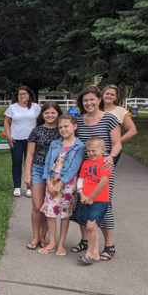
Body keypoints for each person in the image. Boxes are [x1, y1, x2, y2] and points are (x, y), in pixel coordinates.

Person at [71, 86, 121, 261]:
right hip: (83, 169)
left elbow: (117, 143)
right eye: (85, 100)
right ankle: (85, 241)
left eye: (92, 99)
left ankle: (109, 245)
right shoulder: (79, 120)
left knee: (103, 206)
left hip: (103, 169)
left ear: (99, 100)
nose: (89, 103)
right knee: (82, 205)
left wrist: (111, 157)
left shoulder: (109, 119)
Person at [38, 114, 85, 255]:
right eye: (60, 127)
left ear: (75, 126)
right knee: (51, 213)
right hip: (52, 183)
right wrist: (48, 181)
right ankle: (52, 242)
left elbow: (74, 168)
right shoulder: (55, 144)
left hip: (67, 185)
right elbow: (47, 163)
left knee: (65, 214)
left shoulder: (79, 146)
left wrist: (60, 185)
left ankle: (61, 244)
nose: (63, 129)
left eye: (66, 126)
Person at [24, 101, 62, 249]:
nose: (50, 115)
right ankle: (35, 237)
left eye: (53, 112)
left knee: (49, 206)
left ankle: (43, 236)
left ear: (58, 114)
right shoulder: (36, 131)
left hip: (55, 172)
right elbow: (29, 154)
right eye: (47, 113)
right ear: (42, 115)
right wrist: (27, 174)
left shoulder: (62, 131)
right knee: (37, 205)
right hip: (38, 169)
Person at [76, 137, 112, 264]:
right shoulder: (86, 164)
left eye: (93, 150)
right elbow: (80, 179)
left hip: (100, 200)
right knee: (91, 227)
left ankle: (89, 253)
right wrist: (81, 194)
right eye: (88, 151)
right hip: (86, 199)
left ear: (103, 150)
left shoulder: (105, 163)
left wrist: (91, 197)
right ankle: (95, 253)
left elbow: (103, 182)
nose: (90, 153)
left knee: (91, 225)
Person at [4, 86, 42, 198]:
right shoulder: (12, 107)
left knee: (31, 163)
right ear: (17, 96)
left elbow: (40, 121)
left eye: (24, 93)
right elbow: (7, 122)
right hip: (16, 139)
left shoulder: (35, 107)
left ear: (29, 95)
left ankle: (30, 187)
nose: (22, 96)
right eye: (20, 94)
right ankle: (17, 187)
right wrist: (8, 136)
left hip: (32, 140)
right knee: (16, 163)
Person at [101, 84, 137, 165]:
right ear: (102, 94)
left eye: (112, 94)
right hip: (93, 149)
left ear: (116, 97)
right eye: (107, 93)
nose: (109, 96)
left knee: (106, 174)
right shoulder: (95, 108)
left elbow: (133, 130)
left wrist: (118, 142)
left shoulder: (121, 111)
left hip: (112, 150)